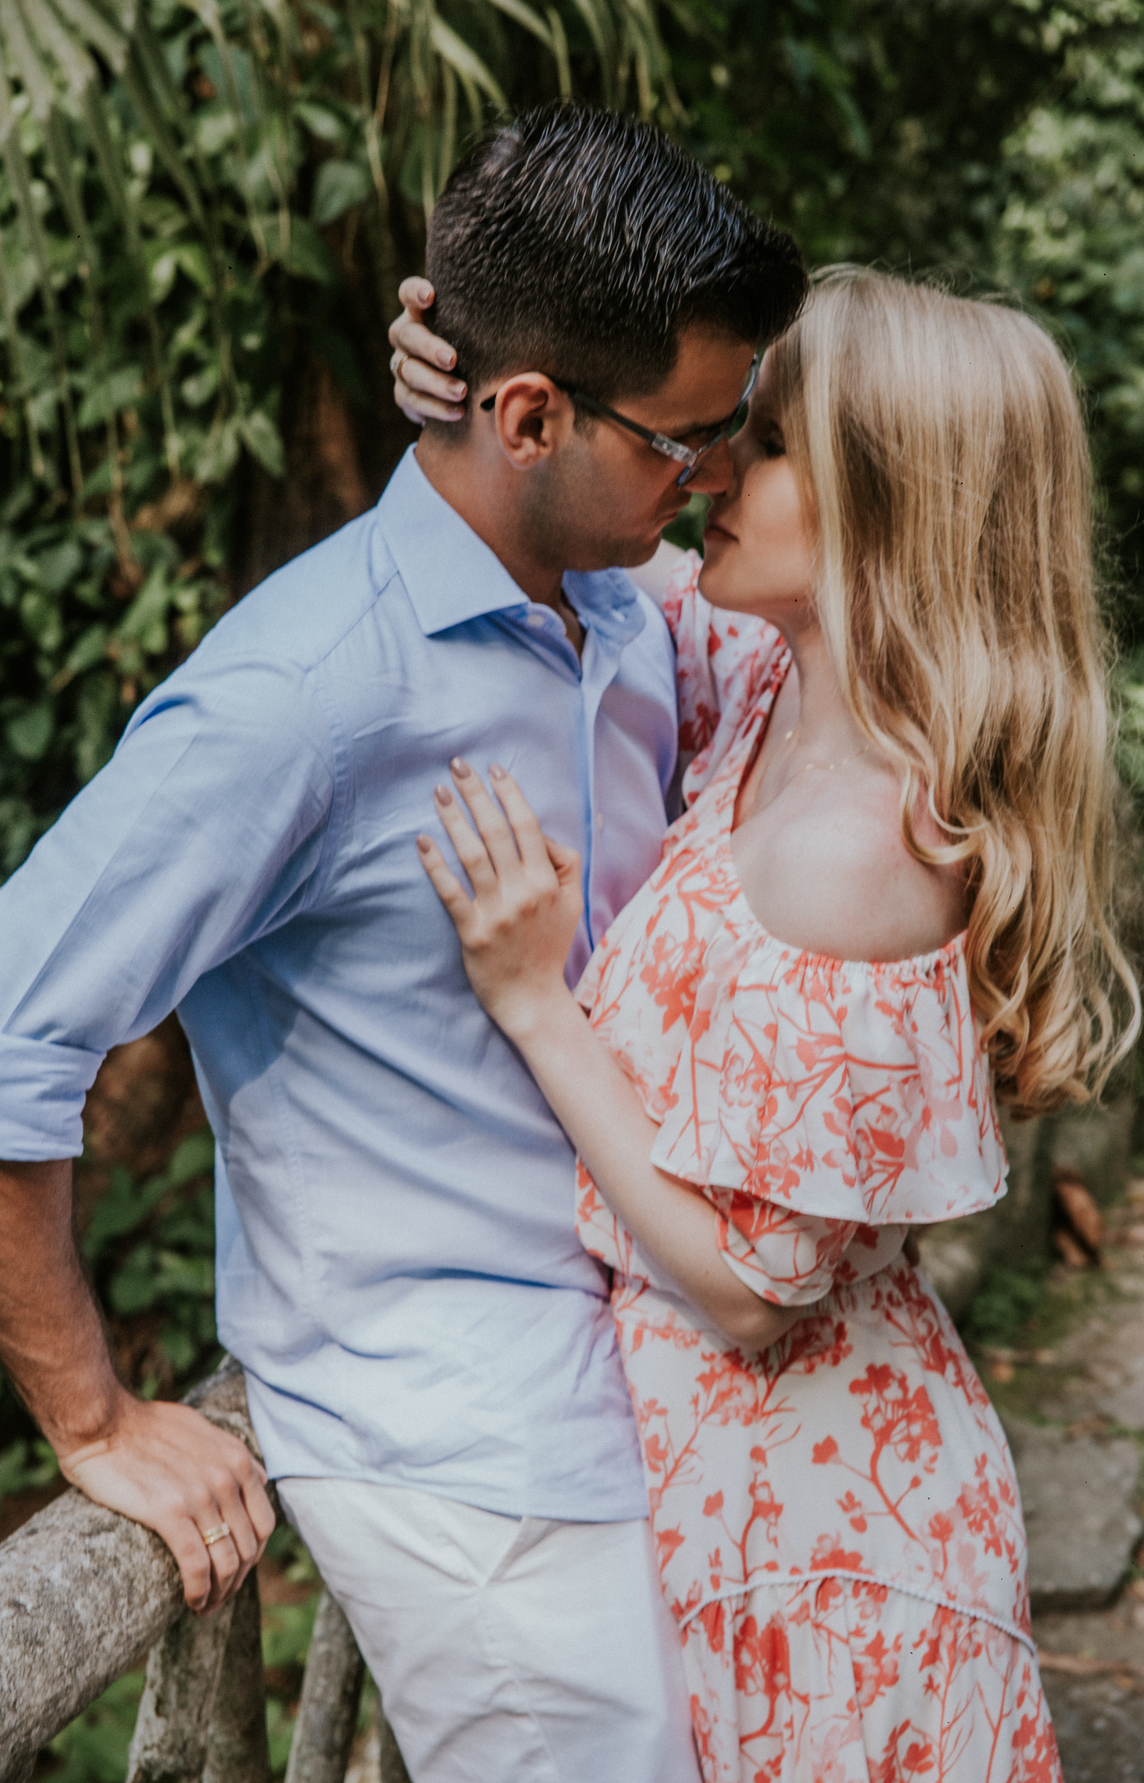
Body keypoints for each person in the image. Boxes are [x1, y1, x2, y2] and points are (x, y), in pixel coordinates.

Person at [0, 104, 806, 1779]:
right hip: (466, 1467)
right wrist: (95, 1415)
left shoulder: (622, 613)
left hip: (649, 1393)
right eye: (681, 443)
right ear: (533, 411)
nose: (711, 481)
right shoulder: (301, 698)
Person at [411, 267, 1140, 1780]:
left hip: (822, 1556)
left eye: (768, 443)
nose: (710, 471)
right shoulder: (776, 682)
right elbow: (583, 515)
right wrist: (476, 386)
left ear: (898, 504)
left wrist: (537, 1006)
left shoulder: (866, 847)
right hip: (725, 1494)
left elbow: (753, 1291)